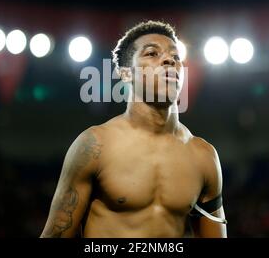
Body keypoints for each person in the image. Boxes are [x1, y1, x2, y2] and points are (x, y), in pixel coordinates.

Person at [40, 21, 227, 238]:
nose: (169, 60)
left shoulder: (204, 156)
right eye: (152, 53)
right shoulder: (94, 145)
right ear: (126, 73)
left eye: (176, 57)